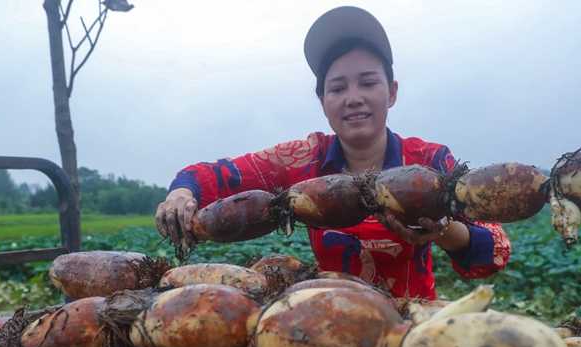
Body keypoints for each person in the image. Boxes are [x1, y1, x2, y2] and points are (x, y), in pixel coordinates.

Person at [156, 6, 510, 300]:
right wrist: (181, 193)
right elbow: (211, 175)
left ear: (391, 93)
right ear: (323, 102)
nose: (353, 97)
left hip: (413, 322)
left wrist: (440, 230)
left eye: (368, 83)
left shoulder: (429, 162)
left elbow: (493, 251)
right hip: (328, 316)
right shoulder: (303, 158)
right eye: (338, 88)